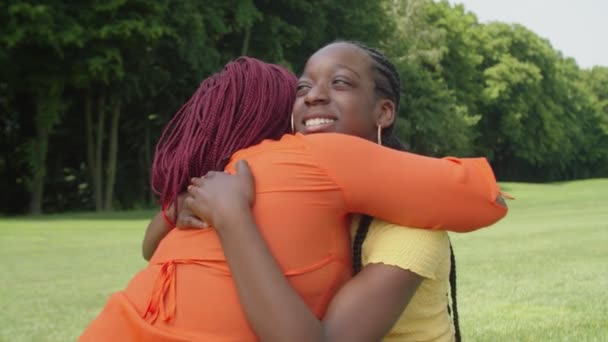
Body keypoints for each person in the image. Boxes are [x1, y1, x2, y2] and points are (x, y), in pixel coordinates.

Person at [81, 55, 506, 341]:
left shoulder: (407, 229)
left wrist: (227, 215)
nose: (312, 95)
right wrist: (180, 209)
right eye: (301, 88)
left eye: (340, 82)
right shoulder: (263, 173)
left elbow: (487, 198)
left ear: (385, 111)